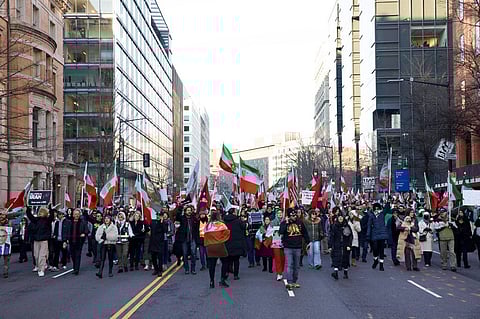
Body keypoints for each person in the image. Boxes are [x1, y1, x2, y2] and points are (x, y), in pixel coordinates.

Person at [279, 208, 310, 290]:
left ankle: (294, 281)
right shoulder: (284, 223)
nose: (294, 216)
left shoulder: (300, 222)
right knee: (289, 265)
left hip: (298, 247)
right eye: (292, 215)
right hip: (288, 247)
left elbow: (305, 232)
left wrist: (308, 242)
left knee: (296, 266)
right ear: (289, 216)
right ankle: (289, 282)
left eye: (295, 215)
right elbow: (281, 232)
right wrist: (286, 223)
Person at [204, 210, 230, 288]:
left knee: (212, 265)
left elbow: (205, 236)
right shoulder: (222, 225)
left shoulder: (208, 226)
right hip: (220, 246)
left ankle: (211, 281)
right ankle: (222, 279)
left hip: (211, 246)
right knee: (225, 262)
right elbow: (227, 235)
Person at [26, 206, 55, 277]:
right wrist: (28, 209)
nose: (41, 213)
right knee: (36, 255)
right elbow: (30, 216)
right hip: (36, 240)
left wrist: (51, 209)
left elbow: (51, 217)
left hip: (44, 240)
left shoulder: (47, 221)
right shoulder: (36, 220)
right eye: (40, 212)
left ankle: (41, 270)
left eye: (42, 212)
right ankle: (40, 265)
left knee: (42, 255)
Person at [224, 208, 247, 281]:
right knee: (236, 260)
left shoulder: (224, 221)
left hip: (227, 242)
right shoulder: (238, 221)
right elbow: (244, 228)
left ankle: (226, 272)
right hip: (237, 243)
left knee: (227, 259)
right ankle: (236, 275)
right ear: (234, 213)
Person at [176, 205, 200, 275]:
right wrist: (180, 208)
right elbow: (177, 217)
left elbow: (197, 227)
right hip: (184, 239)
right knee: (185, 254)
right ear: (185, 211)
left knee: (193, 254)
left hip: (193, 238)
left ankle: (193, 269)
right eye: (188, 210)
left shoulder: (194, 218)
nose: (189, 211)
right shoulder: (182, 218)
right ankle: (186, 268)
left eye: (190, 210)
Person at [329, 214, 353, 280]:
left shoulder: (346, 226)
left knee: (345, 258)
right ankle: (335, 273)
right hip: (337, 245)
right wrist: (330, 246)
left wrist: (349, 245)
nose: (340, 219)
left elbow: (350, 236)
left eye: (341, 218)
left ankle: (345, 273)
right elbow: (331, 237)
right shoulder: (334, 226)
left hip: (345, 245)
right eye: (339, 218)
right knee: (336, 258)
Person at [66, 208, 88, 275]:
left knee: (78, 255)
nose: (76, 215)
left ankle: (76, 269)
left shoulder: (82, 222)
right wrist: (66, 239)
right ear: (73, 215)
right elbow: (67, 231)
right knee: (72, 255)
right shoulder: (70, 222)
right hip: (71, 240)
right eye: (75, 214)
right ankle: (74, 266)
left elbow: (86, 230)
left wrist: (84, 233)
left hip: (79, 241)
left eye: (78, 214)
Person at [367, 202, 388, 271]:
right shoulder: (371, 216)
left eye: (378, 208)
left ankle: (381, 265)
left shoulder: (382, 214)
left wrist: (388, 201)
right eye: (375, 208)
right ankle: (375, 259)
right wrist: (368, 234)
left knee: (381, 250)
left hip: (382, 233)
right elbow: (369, 225)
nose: (376, 210)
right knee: (375, 249)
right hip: (374, 234)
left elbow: (386, 208)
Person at [149, 212, 168, 277]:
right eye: (158, 215)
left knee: (160, 257)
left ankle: (160, 270)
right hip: (153, 241)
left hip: (160, 242)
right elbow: (149, 229)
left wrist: (162, 222)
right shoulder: (153, 222)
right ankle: (156, 269)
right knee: (153, 257)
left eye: (160, 216)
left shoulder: (164, 223)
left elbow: (165, 230)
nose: (159, 217)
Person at [271, 208, 285, 281]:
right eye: (278, 213)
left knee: (283, 258)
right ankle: (279, 273)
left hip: (284, 242)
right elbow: (269, 232)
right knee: (277, 258)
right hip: (276, 242)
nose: (280, 214)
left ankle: (281, 271)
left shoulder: (285, 221)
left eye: (281, 213)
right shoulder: (272, 222)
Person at [0, 212, 12, 278]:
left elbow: (11, 234)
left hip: (6, 244)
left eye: (3, 215)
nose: (1, 217)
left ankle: (5, 272)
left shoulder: (8, 223)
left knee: (6, 260)